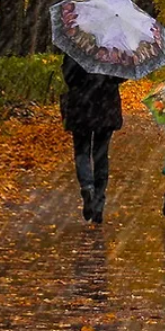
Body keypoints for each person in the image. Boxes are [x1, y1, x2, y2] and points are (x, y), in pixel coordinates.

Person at [60, 55, 125, 223]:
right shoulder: (114, 49)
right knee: (101, 155)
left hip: (81, 107)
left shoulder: (77, 47)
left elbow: (69, 77)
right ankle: (98, 202)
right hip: (105, 107)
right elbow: (121, 77)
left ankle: (87, 186)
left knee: (82, 151)